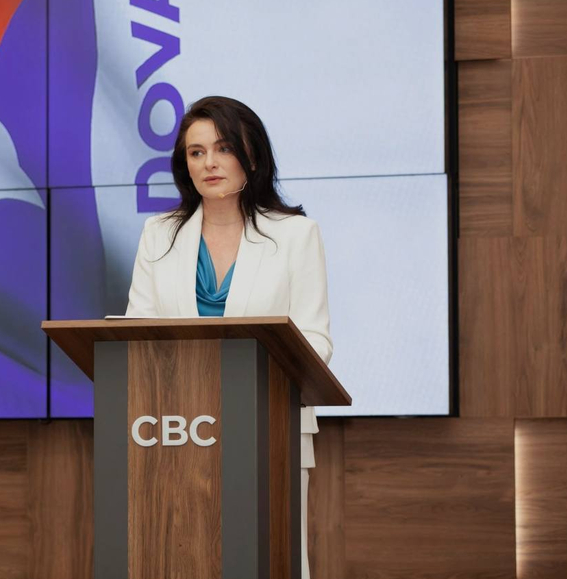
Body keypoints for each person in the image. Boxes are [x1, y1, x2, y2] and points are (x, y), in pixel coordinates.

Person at [125, 95, 332, 578]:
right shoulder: (158, 234)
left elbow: (316, 342)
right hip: (174, 432)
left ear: (251, 156)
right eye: (196, 152)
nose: (209, 163)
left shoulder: (296, 235)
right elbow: (137, 337)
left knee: (269, 562)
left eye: (223, 148)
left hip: (268, 430)